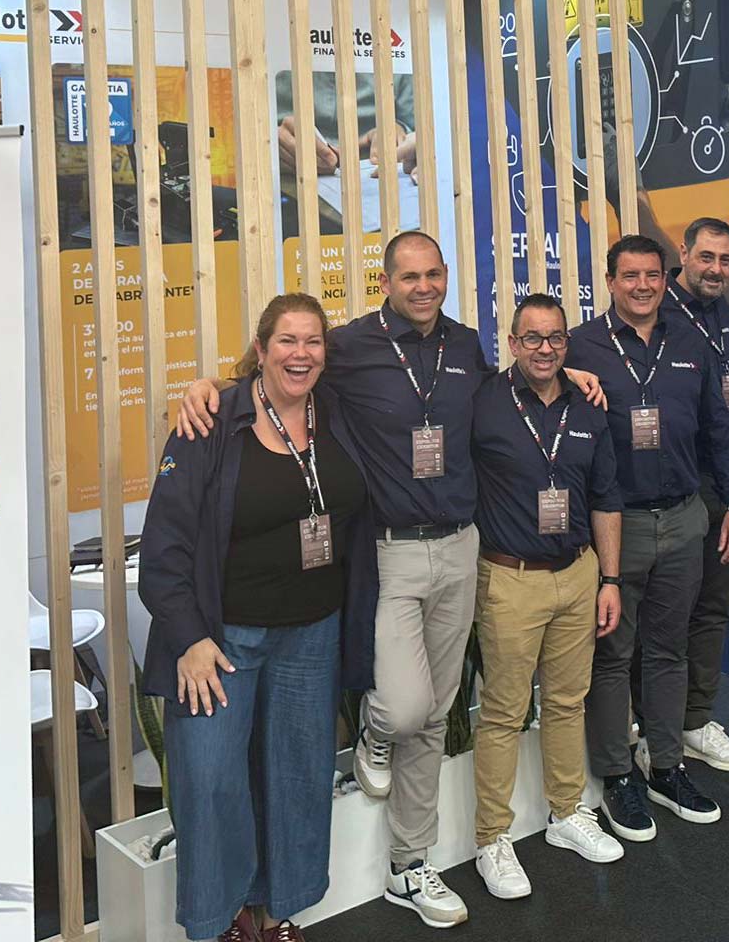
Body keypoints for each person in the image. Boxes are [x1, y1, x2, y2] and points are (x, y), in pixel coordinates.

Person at [177, 231, 484, 930]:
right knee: (401, 710)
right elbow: (275, 371)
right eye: (409, 276)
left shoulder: (466, 346)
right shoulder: (347, 346)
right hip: (385, 555)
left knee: (426, 721)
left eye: (434, 274)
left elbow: (503, 399)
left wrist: (572, 377)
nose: (424, 286)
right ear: (386, 282)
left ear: (446, 276)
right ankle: (373, 734)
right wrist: (207, 387)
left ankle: (407, 863)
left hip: (450, 551)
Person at [140, 293, 375, 942]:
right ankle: (220, 922)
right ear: (262, 349)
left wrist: (573, 368)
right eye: (287, 341)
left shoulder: (339, 412)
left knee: (297, 779)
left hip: (313, 635)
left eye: (313, 342)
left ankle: (277, 915)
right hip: (222, 641)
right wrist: (189, 638)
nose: (301, 354)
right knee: (210, 784)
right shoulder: (212, 422)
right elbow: (162, 547)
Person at [569, 234, 729, 841]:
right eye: (630, 276)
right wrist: (562, 371)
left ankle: (666, 766)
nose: (642, 286)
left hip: (683, 517)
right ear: (609, 281)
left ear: (664, 278)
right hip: (615, 526)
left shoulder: (690, 340)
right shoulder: (582, 345)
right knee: (614, 655)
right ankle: (617, 774)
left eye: (652, 275)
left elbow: (720, 430)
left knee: (670, 650)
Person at [467, 294, 627, 899]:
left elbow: (606, 497)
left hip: (579, 572)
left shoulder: (588, 406)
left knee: (566, 701)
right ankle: (492, 837)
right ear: (512, 343)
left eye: (556, 338)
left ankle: (566, 812)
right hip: (510, 578)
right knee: (504, 712)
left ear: (567, 343)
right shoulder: (483, 401)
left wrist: (610, 579)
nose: (544, 348)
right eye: (531, 338)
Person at [661, 218, 729, 772]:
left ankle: (696, 719)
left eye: (725, 259)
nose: (716, 268)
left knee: (714, 609)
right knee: (666, 615)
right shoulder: (656, 311)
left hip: (724, 484)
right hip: (674, 491)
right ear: (684, 252)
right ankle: (655, 724)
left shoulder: (724, 314)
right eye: (706, 257)